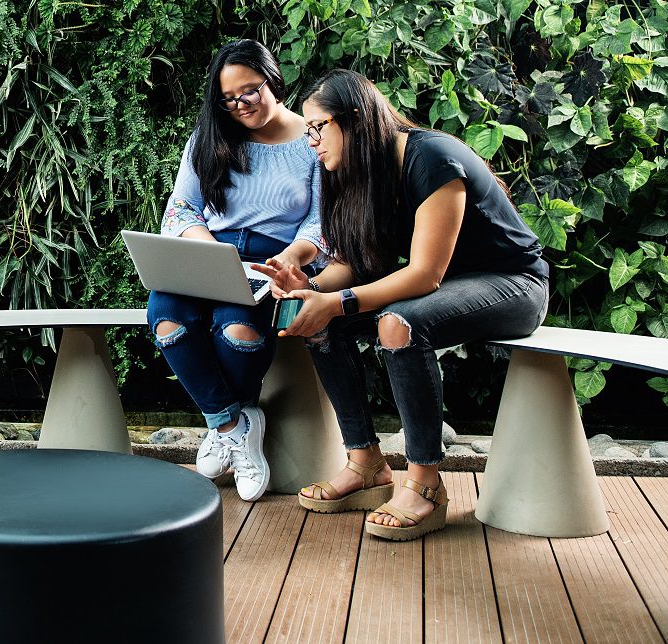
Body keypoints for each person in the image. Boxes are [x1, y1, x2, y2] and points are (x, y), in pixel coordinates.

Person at [253, 69, 549, 540]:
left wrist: (335, 301)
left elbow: (424, 274)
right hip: (444, 289)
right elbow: (354, 265)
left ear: (355, 119)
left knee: (397, 323)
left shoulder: (431, 157)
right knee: (320, 322)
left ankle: (426, 485)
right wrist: (311, 289)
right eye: (307, 130)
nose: (311, 141)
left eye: (318, 127)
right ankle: (365, 463)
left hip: (513, 283)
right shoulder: (355, 173)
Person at [148, 40, 325, 502]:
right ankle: (232, 424)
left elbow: (321, 222)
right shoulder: (209, 138)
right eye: (228, 98)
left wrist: (292, 258)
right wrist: (212, 255)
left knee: (238, 332)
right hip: (209, 249)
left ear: (273, 78)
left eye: (250, 91)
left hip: (274, 259)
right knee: (166, 319)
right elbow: (181, 208)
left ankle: (227, 425)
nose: (241, 105)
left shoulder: (312, 139)